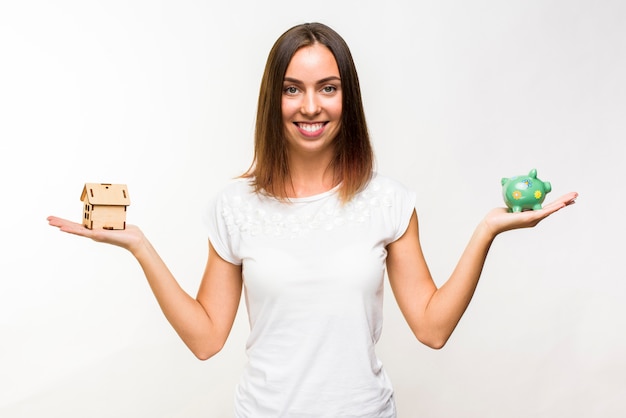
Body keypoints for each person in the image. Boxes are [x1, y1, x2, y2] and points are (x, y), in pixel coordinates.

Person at [48, 22, 577, 418]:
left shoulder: (388, 201)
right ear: (272, 98)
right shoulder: (235, 206)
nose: (310, 106)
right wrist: (140, 246)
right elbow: (207, 338)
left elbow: (432, 328)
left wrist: (486, 231)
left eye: (328, 87)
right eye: (292, 88)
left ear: (348, 97)